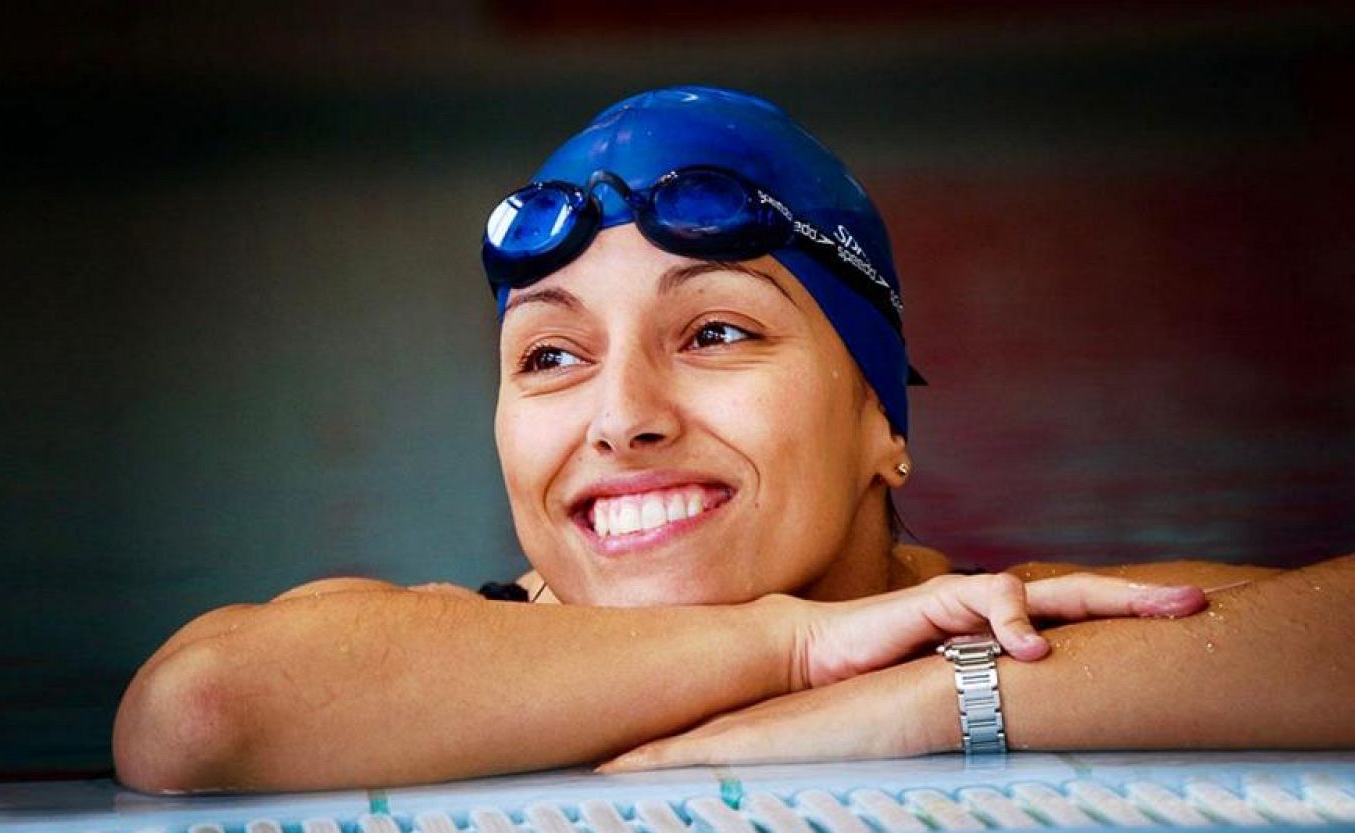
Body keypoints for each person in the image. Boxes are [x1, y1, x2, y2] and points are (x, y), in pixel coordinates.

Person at [112, 86, 1353, 794]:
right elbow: (198, 717)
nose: (621, 416)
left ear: (883, 422)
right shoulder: (425, 652)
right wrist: (795, 651)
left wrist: (926, 704)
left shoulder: (1016, 631)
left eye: (712, 332)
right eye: (550, 355)